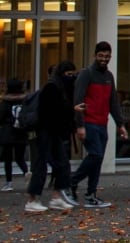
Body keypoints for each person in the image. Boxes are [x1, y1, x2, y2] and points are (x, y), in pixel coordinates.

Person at [70, 41, 127, 208]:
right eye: (101, 56)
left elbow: (113, 102)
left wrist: (120, 124)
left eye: (107, 56)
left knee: (98, 159)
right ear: (95, 56)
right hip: (89, 122)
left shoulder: (109, 77)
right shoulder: (86, 74)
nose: (104, 59)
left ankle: (91, 194)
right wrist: (80, 125)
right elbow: (78, 99)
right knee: (95, 155)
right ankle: (71, 182)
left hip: (102, 123)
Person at [25, 61, 79, 213]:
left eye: (72, 74)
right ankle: (32, 199)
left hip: (53, 132)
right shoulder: (52, 88)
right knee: (41, 165)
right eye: (69, 74)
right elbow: (50, 111)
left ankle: (55, 197)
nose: (71, 77)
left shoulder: (61, 88)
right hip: (46, 131)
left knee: (62, 164)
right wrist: (70, 110)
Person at [0, 78, 29, 191]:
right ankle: (27, 173)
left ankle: (8, 183)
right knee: (20, 158)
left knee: (8, 159)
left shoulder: (6, 101)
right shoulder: (25, 100)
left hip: (8, 133)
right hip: (21, 132)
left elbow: (1, 117)